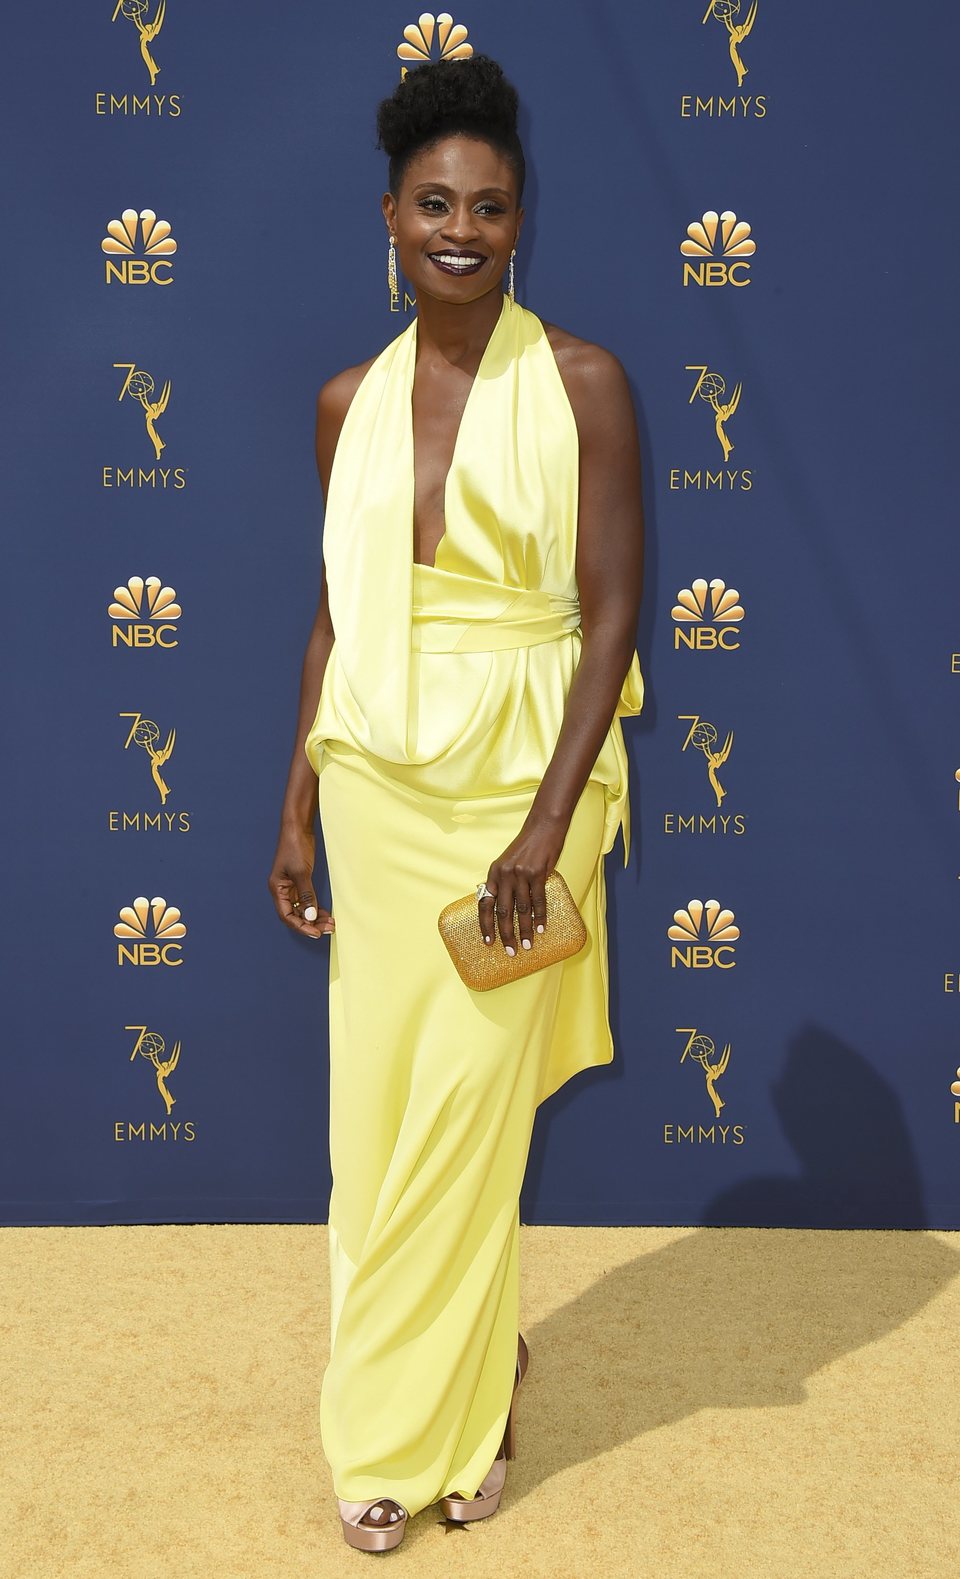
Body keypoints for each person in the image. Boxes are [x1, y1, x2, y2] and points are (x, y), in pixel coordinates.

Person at [268, 53, 645, 1552]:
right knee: (379, 1126)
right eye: (436, 202)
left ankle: (443, 1415)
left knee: (467, 1126)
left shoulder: (582, 384)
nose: (463, 227)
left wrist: (546, 829)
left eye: (490, 204)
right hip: (376, 782)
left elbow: (610, 614)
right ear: (390, 215)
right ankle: (429, 1410)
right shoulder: (344, 401)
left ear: (521, 217)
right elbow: (335, 617)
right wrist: (296, 799)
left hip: (527, 788)